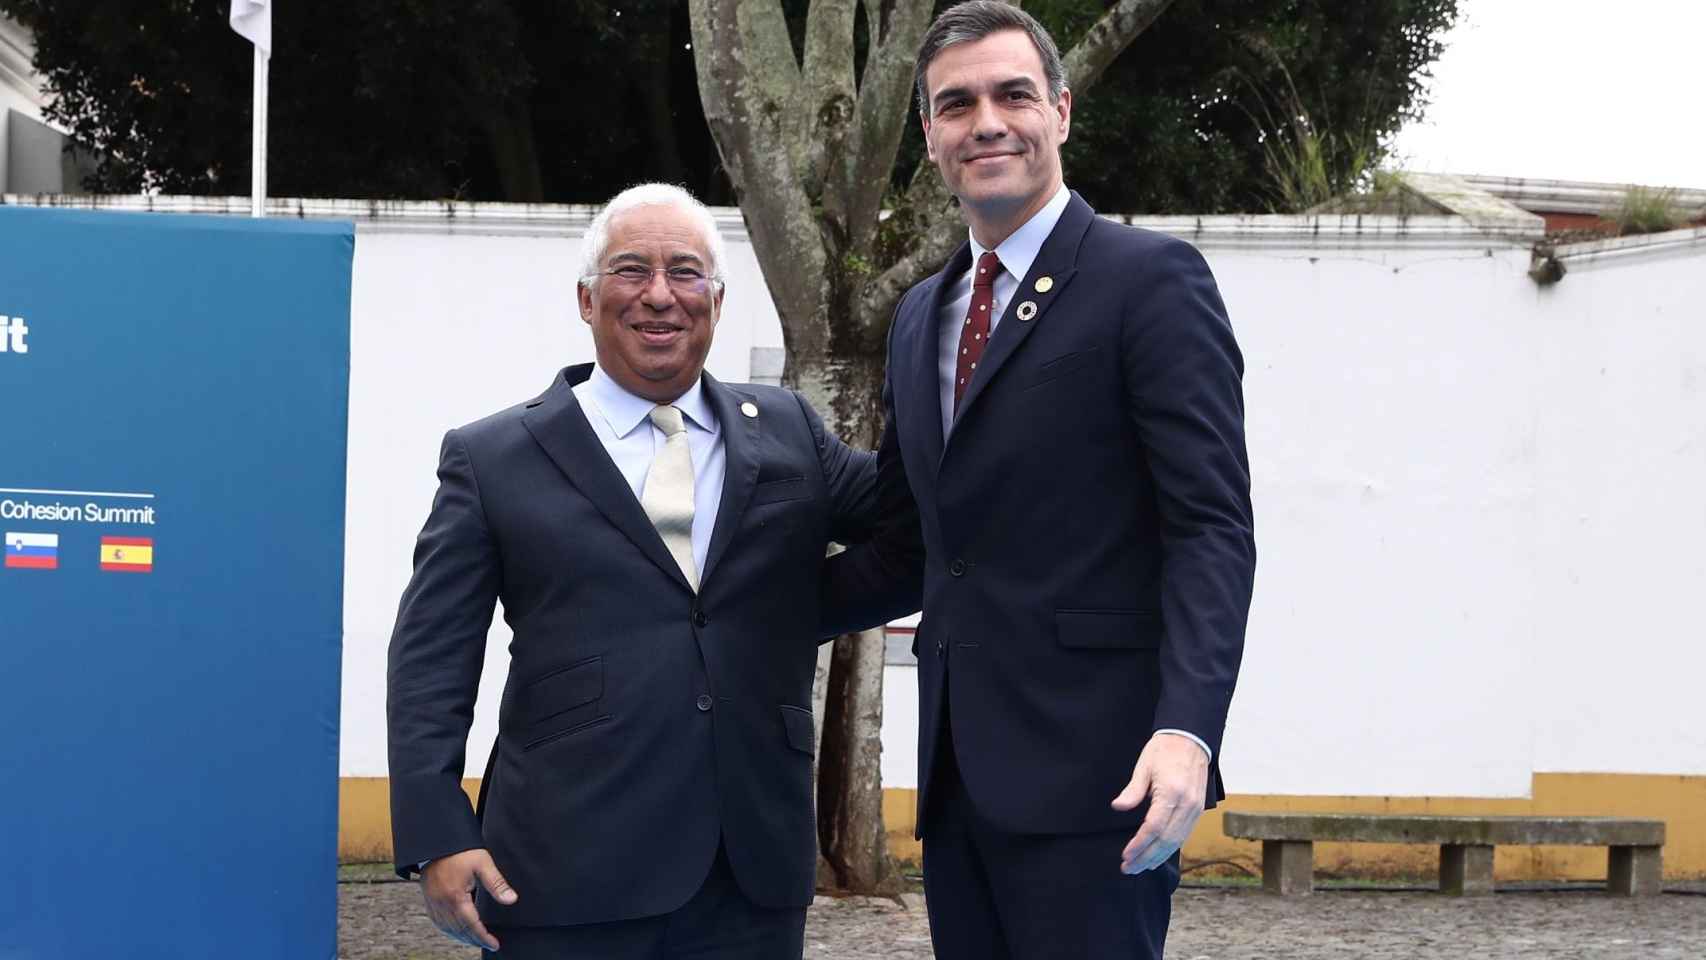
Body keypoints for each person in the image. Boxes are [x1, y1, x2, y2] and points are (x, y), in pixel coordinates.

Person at [385, 183, 916, 959]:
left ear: (718, 300)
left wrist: (785, 615)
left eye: (687, 272)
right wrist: (437, 834)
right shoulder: (491, 458)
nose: (660, 296)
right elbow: (431, 659)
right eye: (632, 271)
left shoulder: (792, 432)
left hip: (750, 877)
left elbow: (909, 540)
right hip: (563, 872)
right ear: (586, 298)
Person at [875, 3, 1257, 956]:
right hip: (958, 784)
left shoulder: (1152, 281)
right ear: (931, 137)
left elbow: (1209, 526)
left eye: (1012, 94)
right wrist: (725, 599)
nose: (987, 122)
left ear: (1062, 110)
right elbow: (911, 540)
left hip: (1105, 781)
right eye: (956, 105)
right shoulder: (920, 315)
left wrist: (1189, 730)